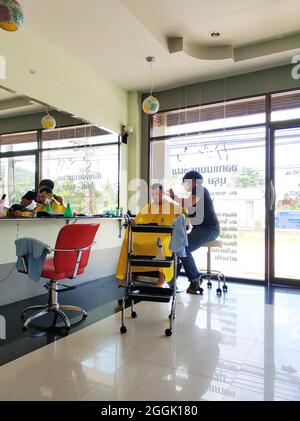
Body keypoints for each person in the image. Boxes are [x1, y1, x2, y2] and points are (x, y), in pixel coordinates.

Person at [116, 183, 183, 288]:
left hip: (163, 235)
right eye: (153, 194)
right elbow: (137, 220)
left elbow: (185, 215)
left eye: (157, 193)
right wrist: (131, 221)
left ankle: (161, 279)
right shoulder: (148, 207)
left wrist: (175, 199)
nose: (155, 196)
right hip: (146, 234)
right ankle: (127, 275)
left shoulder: (172, 206)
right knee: (128, 241)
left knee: (163, 244)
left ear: (163, 193)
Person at [168, 171, 220, 295]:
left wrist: (173, 197)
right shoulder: (196, 193)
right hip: (200, 229)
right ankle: (173, 280)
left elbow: (187, 203)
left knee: (184, 247)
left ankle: (195, 279)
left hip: (209, 229)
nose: (184, 184)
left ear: (193, 181)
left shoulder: (199, 189)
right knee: (180, 246)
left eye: (185, 182)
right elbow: (186, 209)